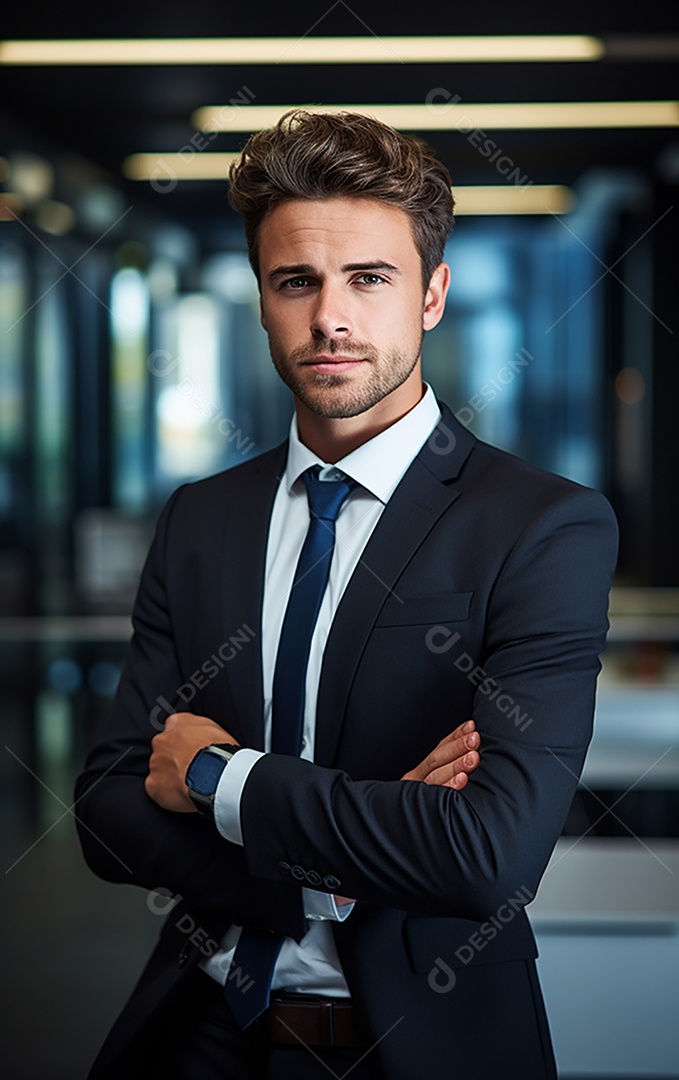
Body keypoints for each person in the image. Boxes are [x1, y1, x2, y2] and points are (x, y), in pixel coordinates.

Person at [75, 109, 618, 1080]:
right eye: (297, 282)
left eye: (369, 279)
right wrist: (357, 848)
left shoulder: (541, 526)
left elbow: (488, 855)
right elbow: (109, 809)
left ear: (432, 295)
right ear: (262, 301)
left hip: (420, 1044)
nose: (330, 316)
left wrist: (218, 780)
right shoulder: (202, 519)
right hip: (200, 1036)